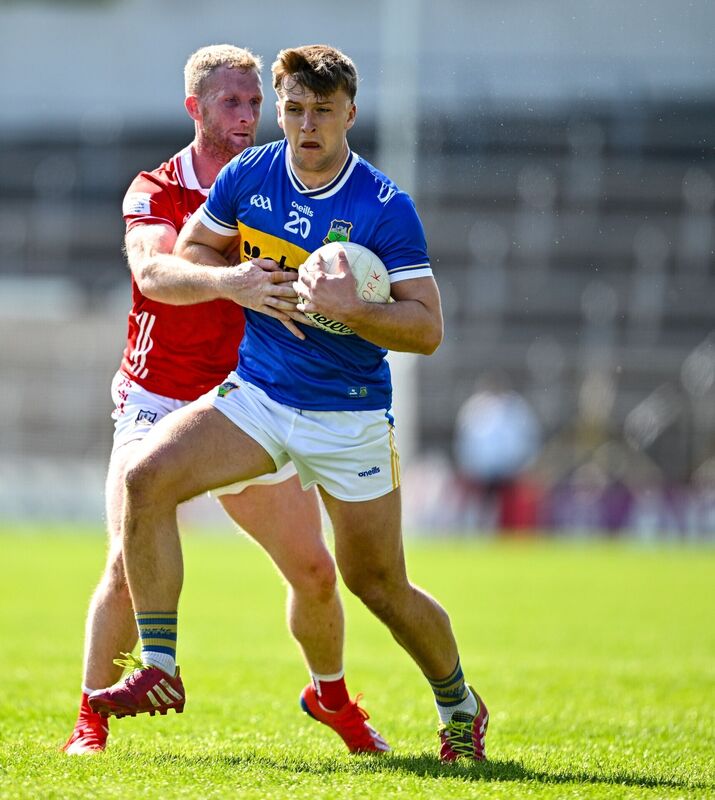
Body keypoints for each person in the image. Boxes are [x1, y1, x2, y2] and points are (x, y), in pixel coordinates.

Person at [89, 44, 489, 763]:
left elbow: (426, 329)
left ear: (349, 115)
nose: (306, 126)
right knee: (145, 482)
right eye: (294, 110)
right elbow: (190, 252)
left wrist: (351, 308)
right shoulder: (251, 174)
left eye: (323, 112)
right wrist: (239, 278)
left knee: (376, 584)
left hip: (349, 415)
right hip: (259, 398)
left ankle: (458, 702)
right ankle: (162, 670)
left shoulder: (384, 206)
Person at [63, 44, 387, 757]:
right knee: (124, 557)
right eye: (231, 103)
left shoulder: (273, 182)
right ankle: (91, 716)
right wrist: (228, 283)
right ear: (195, 110)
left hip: (243, 400)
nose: (248, 116)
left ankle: (330, 696)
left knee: (314, 571)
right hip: (155, 397)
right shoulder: (156, 188)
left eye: (253, 102)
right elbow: (153, 271)